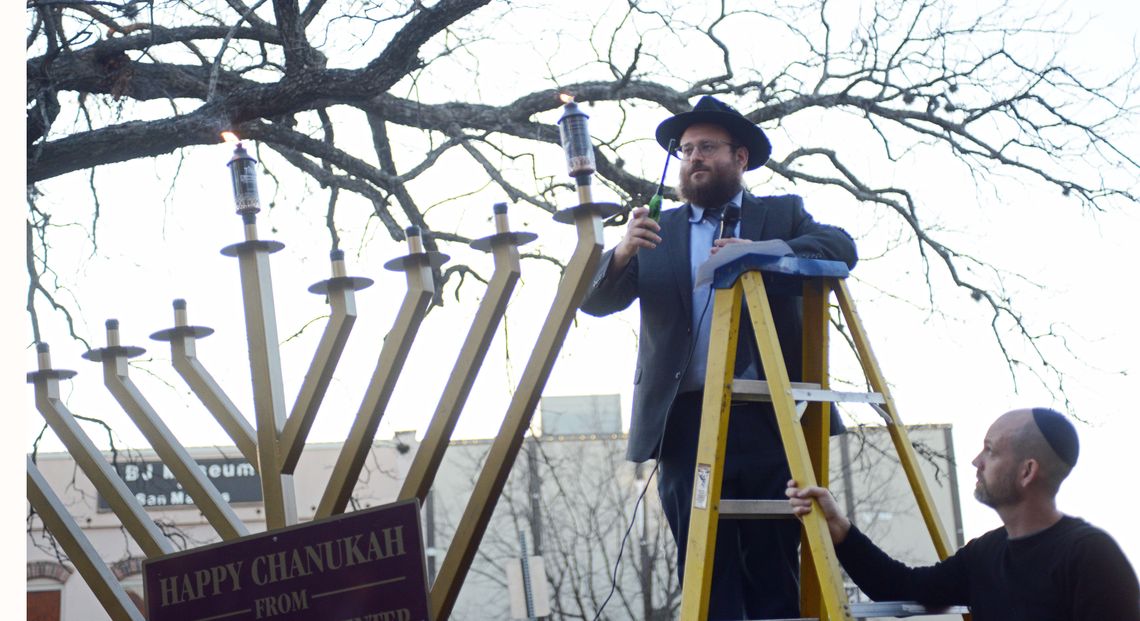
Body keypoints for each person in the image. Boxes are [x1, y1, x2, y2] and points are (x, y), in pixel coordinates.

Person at [580, 95, 858, 620]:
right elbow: (594, 301)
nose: (694, 158)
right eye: (685, 149)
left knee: (773, 564)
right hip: (684, 420)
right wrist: (619, 254)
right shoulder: (655, 229)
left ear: (741, 157)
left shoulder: (779, 213)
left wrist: (759, 252)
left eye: (707, 146)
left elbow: (840, 248)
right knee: (706, 568)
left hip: (766, 413)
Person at [786, 407, 1140, 621]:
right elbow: (901, 586)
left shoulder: (1090, 555)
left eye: (990, 450)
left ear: (1027, 471)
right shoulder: (985, 553)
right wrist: (839, 527)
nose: (976, 461)